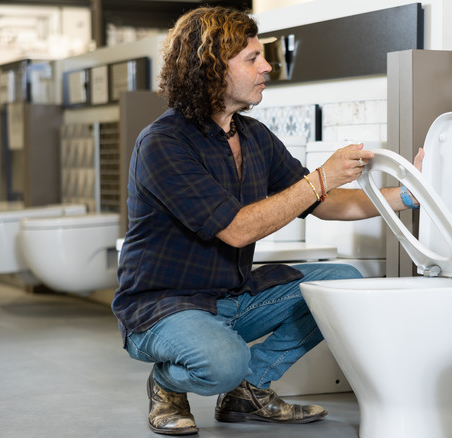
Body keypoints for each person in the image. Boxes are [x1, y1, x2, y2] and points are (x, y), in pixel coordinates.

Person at [112, 6, 423, 436]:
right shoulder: (163, 144)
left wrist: (411, 194)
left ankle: (249, 390)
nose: (267, 66)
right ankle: (167, 383)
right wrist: (319, 178)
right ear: (209, 69)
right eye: (252, 59)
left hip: (233, 296)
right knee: (222, 363)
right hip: (163, 307)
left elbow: (328, 203)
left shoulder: (254, 136)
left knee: (340, 284)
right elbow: (237, 229)